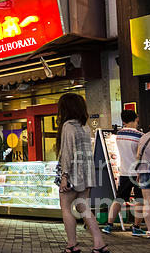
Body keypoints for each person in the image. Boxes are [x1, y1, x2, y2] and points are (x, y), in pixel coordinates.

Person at [55, 93, 109, 253]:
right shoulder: (85, 127)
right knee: (83, 207)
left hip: (71, 173)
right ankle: (99, 244)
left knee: (65, 207)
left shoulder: (68, 126)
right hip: (86, 174)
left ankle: (72, 245)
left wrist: (64, 176)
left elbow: (67, 153)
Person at [103, 109, 144, 235]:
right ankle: (136, 227)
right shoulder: (140, 136)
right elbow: (140, 154)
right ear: (136, 118)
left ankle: (109, 225)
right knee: (139, 200)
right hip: (137, 173)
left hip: (124, 172)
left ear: (123, 121)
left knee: (119, 199)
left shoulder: (119, 135)